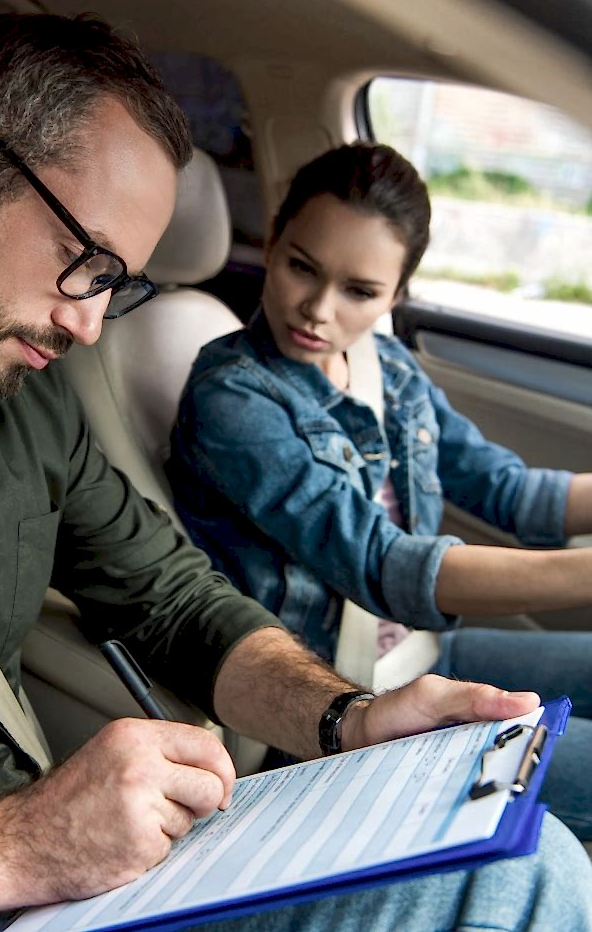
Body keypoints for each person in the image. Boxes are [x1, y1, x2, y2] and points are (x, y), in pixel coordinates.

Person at [0, 19, 588, 932]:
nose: (89, 327)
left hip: (71, 888)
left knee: (510, 853)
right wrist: (16, 847)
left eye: (118, 288)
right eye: (86, 265)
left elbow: (172, 600)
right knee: (517, 883)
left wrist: (350, 718)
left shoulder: (21, 396)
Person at [167, 140, 592, 842]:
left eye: (359, 291)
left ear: (396, 296)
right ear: (271, 244)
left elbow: (505, 488)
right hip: (343, 702)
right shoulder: (232, 398)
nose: (317, 309)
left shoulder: (387, 367)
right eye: (302, 267)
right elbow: (384, 566)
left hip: (429, 658)